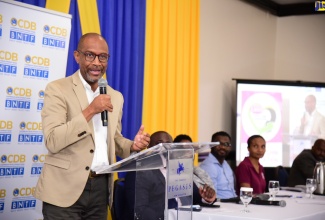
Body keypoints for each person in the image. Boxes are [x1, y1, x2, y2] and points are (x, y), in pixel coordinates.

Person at [34, 33, 150, 220]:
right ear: (77, 56)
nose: (97, 62)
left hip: (101, 189)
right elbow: (53, 140)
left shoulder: (115, 96)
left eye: (102, 57)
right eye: (90, 55)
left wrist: (132, 146)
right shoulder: (57, 89)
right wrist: (90, 110)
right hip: (64, 190)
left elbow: (113, 139)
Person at [128, 131, 216, 220]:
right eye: (159, 143)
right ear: (149, 147)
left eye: (169, 144)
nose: (165, 147)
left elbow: (195, 196)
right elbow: (140, 210)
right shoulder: (140, 172)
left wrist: (206, 198)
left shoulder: (179, 168)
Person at [199, 131, 237, 199]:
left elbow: (232, 190)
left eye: (226, 144)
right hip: (222, 205)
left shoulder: (225, 164)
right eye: (218, 144)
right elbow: (212, 197)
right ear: (211, 145)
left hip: (233, 202)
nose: (222, 147)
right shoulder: (209, 166)